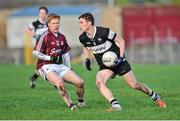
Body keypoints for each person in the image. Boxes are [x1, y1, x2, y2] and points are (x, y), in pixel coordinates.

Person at [78, 12, 166, 111]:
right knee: (99, 83)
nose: (79, 25)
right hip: (105, 65)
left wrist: (120, 57)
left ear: (89, 23)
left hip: (119, 62)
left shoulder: (104, 32)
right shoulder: (83, 37)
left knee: (134, 85)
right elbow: (85, 46)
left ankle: (155, 97)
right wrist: (87, 58)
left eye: (81, 22)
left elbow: (121, 41)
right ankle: (116, 105)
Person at [33, 13, 85, 110]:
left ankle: (80, 101)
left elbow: (65, 54)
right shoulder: (44, 36)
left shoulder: (62, 37)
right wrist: (50, 58)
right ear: (48, 24)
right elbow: (35, 52)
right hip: (44, 66)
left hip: (59, 65)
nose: (56, 25)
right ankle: (71, 104)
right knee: (60, 83)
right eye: (54, 23)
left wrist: (69, 68)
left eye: (57, 23)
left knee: (80, 82)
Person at [26, 6, 49, 88]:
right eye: (40, 13)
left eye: (44, 13)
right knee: (46, 65)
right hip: (40, 49)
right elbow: (27, 30)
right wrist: (35, 36)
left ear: (46, 14)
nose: (42, 15)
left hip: (49, 48)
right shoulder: (35, 24)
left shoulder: (49, 23)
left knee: (48, 65)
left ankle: (33, 77)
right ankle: (55, 82)